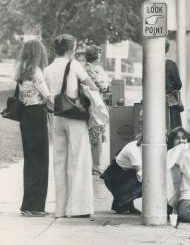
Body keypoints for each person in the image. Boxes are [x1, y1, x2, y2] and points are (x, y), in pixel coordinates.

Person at [44, 34, 98, 218]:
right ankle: (78, 208)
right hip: (74, 115)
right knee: (79, 159)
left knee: (59, 161)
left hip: (56, 116)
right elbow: (92, 86)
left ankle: (60, 208)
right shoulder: (73, 65)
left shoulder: (48, 69)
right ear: (70, 49)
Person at [15, 39, 53, 217]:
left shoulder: (21, 70)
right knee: (40, 160)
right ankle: (35, 206)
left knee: (31, 160)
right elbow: (48, 97)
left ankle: (28, 204)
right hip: (37, 115)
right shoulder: (36, 71)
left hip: (25, 116)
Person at [75, 45, 110, 175]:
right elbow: (100, 86)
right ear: (96, 55)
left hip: (92, 104)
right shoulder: (90, 69)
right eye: (99, 53)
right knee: (96, 136)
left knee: (96, 135)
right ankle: (95, 166)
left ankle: (95, 164)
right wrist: (105, 86)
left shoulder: (86, 67)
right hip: (92, 106)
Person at [100, 134, 142, 215]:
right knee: (146, 184)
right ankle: (122, 202)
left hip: (122, 174)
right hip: (114, 176)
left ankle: (125, 204)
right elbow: (141, 174)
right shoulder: (134, 150)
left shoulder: (139, 145)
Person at [165, 40, 183, 131]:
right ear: (167, 49)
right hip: (170, 104)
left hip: (153, 102)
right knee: (174, 130)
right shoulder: (171, 65)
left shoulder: (148, 64)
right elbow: (178, 85)